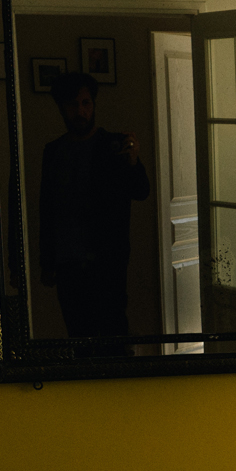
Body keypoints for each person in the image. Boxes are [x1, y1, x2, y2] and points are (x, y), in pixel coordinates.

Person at [38, 72, 150, 340]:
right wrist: (47, 262)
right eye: (73, 104)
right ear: (61, 107)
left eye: (86, 103)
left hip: (107, 263)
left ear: (93, 104)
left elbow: (141, 191)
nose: (80, 111)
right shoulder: (53, 152)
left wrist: (133, 161)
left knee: (113, 335)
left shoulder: (112, 146)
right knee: (78, 337)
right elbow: (47, 208)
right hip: (68, 265)